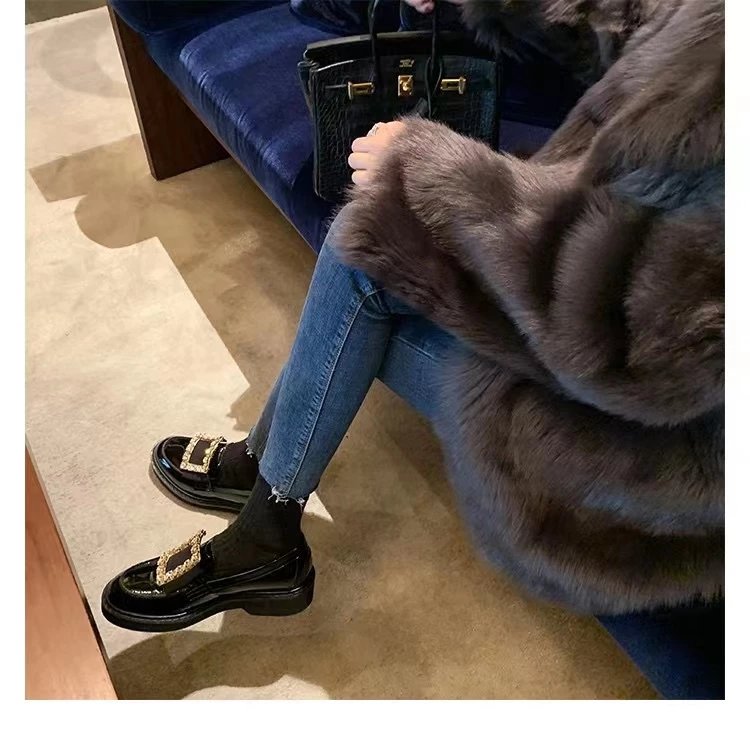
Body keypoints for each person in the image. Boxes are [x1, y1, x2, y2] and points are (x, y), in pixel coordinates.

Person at [101, 0, 724, 632]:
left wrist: (430, 168)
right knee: (367, 257)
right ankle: (266, 487)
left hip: (666, 467)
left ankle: (266, 517)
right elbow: (642, 41)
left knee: (369, 264)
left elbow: (626, 341)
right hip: (653, 384)